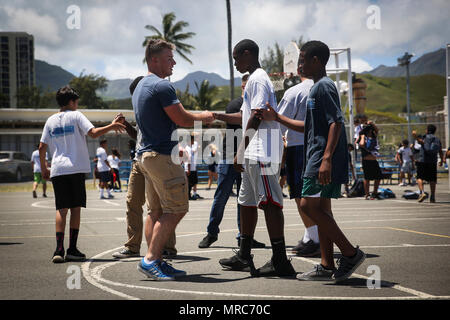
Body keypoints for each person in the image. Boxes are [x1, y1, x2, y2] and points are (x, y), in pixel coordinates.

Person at [257, 40, 366, 282]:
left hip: (320, 158)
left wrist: (326, 158)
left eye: (303, 59)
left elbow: (335, 122)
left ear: (316, 60)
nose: (300, 64)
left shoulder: (323, 87)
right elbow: (309, 126)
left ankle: (350, 253)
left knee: (307, 206)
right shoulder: (318, 88)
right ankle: (326, 264)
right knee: (322, 209)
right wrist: (277, 117)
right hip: (317, 155)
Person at [133, 39, 214, 280]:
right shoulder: (162, 86)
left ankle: (156, 258)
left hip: (146, 156)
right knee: (177, 209)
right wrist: (206, 117)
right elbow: (182, 118)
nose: (174, 62)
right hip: (162, 156)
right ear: (154, 59)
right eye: (169, 58)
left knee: (155, 211)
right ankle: (150, 259)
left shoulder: (140, 86)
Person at [218, 39, 295, 278]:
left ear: (248, 53)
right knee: (246, 203)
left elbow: (258, 114)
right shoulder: (253, 80)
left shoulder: (259, 78)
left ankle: (280, 260)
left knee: (269, 203)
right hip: (254, 151)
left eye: (236, 58)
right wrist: (214, 115)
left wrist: (241, 148)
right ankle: (244, 254)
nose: (234, 63)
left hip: (261, 149)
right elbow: (243, 116)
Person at [39, 85, 125, 263]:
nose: (77, 105)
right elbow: (93, 133)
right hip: (75, 168)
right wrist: (112, 125)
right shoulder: (76, 115)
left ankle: (58, 249)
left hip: (57, 169)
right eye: (76, 102)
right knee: (75, 208)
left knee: (61, 209)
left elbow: (42, 147)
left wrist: (44, 168)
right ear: (71, 102)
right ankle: (72, 249)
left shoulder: (50, 121)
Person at [112, 76, 177, 260]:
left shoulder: (159, 106)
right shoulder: (141, 109)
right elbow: (138, 136)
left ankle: (168, 247)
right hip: (139, 160)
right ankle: (132, 246)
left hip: (157, 159)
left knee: (161, 206)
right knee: (132, 202)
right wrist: (125, 125)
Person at [198, 74, 266, 249]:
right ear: (244, 87)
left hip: (248, 156)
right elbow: (240, 117)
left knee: (244, 199)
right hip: (230, 157)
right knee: (221, 196)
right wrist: (217, 115)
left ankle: (244, 236)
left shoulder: (255, 104)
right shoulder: (236, 104)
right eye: (246, 86)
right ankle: (212, 233)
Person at [276, 65, 320, 257]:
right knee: (316, 195)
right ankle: (310, 236)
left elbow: (278, 119)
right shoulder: (325, 86)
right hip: (319, 146)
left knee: (300, 195)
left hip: (298, 146)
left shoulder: (295, 91)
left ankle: (315, 239)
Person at [413, 125, 444, 203]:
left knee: (419, 177)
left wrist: (415, 136)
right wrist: (442, 160)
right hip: (433, 161)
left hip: (422, 160)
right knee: (432, 179)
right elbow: (440, 150)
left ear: (427, 130)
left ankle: (422, 193)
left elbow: (421, 142)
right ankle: (432, 196)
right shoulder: (437, 139)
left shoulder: (425, 137)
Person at [359, 121, 382, 200]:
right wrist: (362, 136)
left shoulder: (374, 136)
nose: (369, 130)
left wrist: (372, 123)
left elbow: (377, 130)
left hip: (373, 160)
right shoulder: (362, 136)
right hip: (366, 160)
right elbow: (361, 144)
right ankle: (367, 194)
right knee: (367, 178)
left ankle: (375, 192)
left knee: (378, 176)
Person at [185, 134, 202, 200]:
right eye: (192, 140)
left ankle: (189, 195)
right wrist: (188, 169)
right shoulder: (188, 149)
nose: (193, 141)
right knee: (190, 183)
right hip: (190, 169)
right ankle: (188, 195)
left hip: (192, 168)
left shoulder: (190, 148)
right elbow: (188, 160)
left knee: (193, 182)